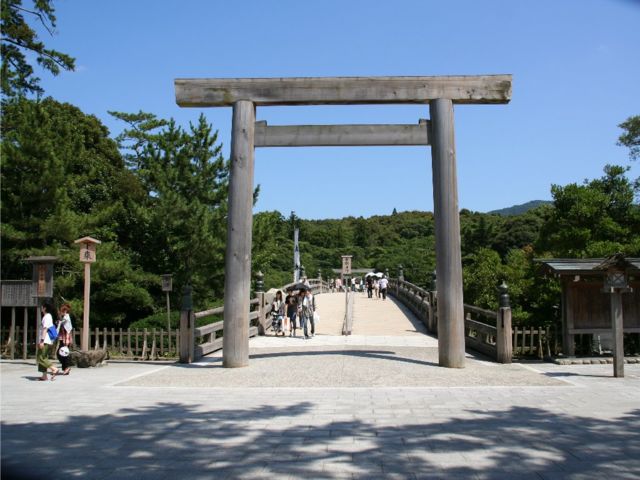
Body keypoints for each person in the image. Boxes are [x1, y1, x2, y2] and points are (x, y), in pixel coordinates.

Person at [37, 302, 59, 381]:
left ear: (45, 308)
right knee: (44, 357)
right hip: (45, 340)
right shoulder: (48, 316)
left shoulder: (47, 317)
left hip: (45, 340)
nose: (41, 308)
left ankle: (54, 369)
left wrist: (42, 341)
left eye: (42, 307)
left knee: (40, 357)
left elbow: (45, 329)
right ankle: (44, 376)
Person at [57, 303, 73, 375]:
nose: (61, 312)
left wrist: (68, 339)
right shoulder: (64, 318)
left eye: (62, 311)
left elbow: (68, 330)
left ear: (65, 311)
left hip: (66, 339)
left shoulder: (66, 318)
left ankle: (66, 368)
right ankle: (66, 368)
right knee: (62, 353)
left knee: (63, 354)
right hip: (62, 338)